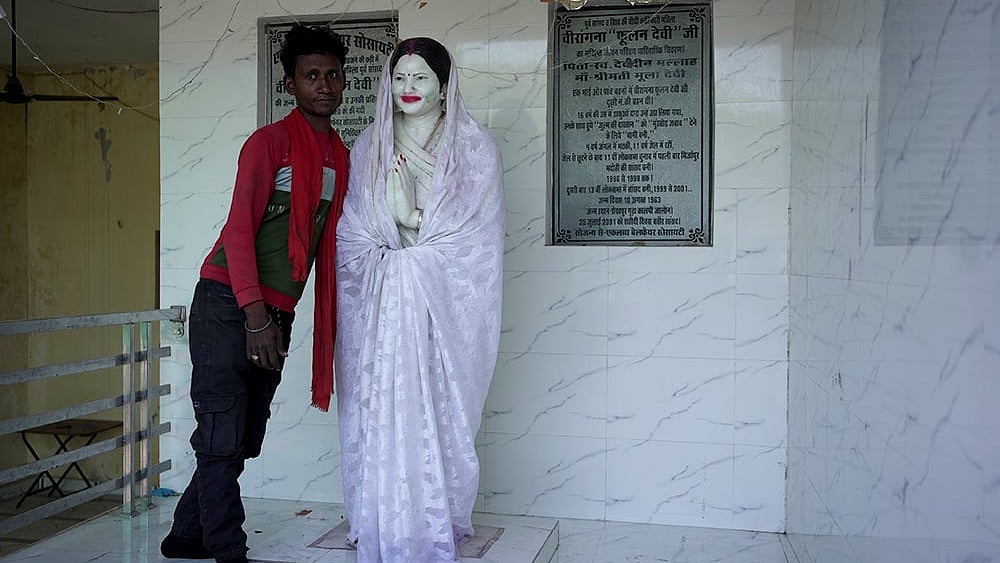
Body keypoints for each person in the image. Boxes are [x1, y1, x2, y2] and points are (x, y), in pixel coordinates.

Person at [159, 25, 350, 563]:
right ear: (290, 84)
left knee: (243, 436)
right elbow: (239, 230)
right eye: (311, 75)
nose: (324, 85)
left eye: (333, 74)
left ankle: (185, 537)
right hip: (228, 303)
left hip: (275, 313)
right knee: (221, 432)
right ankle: (229, 551)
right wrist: (255, 315)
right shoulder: (268, 144)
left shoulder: (340, 156)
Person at [335, 37, 505, 562]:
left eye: (421, 78)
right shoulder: (369, 145)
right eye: (400, 78)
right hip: (383, 308)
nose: (408, 89)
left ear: (445, 85)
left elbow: (475, 241)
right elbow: (352, 235)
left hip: (441, 308)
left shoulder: (473, 148)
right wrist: (395, 224)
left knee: (437, 403)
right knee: (379, 407)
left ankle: (436, 513)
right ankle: (380, 514)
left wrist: (411, 222)